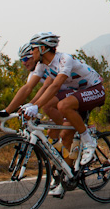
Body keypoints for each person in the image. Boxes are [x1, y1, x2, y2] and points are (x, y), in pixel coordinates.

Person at [25, 32, 105, 198]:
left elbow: (54, 87)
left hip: (94, 90)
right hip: (77, 94)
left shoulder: (64, 59)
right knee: (65, 135)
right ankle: (66, 179)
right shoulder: (41, 66)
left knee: (62, 104)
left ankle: (89, 142)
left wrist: (34, 106)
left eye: (33, 49)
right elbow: (27, 89)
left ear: (42, 48)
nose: (31, 53)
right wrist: (9, 110)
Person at [0, 43, 63, 138]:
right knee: (52, 135)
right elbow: (27, 89)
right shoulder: (34, 73)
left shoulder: (47, 65)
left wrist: (32, 105)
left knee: (64, 133)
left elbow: (46, 87)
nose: (23, 63)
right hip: (58, 98)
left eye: (25, 59)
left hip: (70, 95)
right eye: (21, 60)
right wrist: (7, 111)